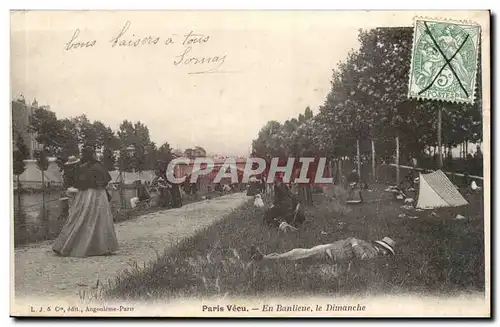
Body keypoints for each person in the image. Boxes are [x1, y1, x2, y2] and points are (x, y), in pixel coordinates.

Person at [52, 146, 119, 257]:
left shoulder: (81, 167)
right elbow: (106, 182)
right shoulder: (98, 166)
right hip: (98, 195)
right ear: (92, 154)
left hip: (83, 195)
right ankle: (100, 246)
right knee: (100, 220)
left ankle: (65, 244)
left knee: (79, 218)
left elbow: (76, 182)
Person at [250, 236, 395, 262]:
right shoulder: (371, 248)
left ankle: (265, 258)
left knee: (298, 253)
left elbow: (362, 257)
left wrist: (354, 243)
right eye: (382, 246)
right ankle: (268, 257)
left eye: (384, 249)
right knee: (299, 252)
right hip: (332, 247)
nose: (381, 248)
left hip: (331, 253)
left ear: (385, 253)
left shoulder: (373, 254)